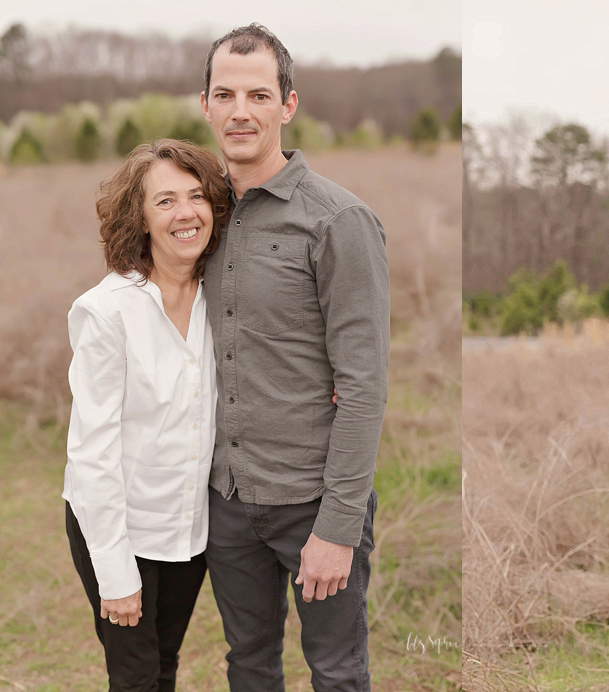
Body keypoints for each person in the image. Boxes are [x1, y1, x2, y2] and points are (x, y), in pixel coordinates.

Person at [197, 23, 389, 690]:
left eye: (258, 94)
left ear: (287, 105)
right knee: (248, 665)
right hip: (226, 500)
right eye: (226, 94)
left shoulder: (338, 221)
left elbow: (363, 387)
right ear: (206, 106)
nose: (240, 111)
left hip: (313, 501)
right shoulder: (200, 218)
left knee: (335, 672)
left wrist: (337, 526)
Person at [64, 138, 230, 690]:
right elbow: (92, 452)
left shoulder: (223, 298)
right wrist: (115, 573)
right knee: (134, 675)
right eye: (165, 201)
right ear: (139, 217)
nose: (186, 213)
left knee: (163, 666)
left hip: (187, 529)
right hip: (118, 526)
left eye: (197, 196)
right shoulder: (107, 312)